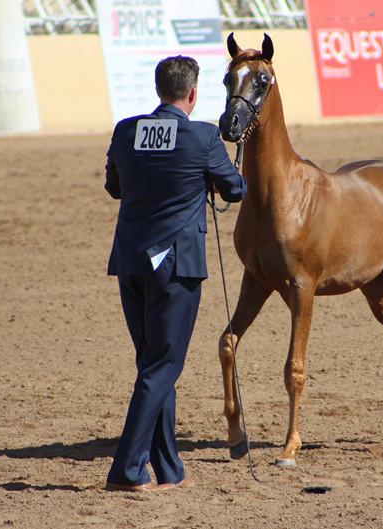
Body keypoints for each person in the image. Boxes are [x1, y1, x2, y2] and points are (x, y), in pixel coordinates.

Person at [103, 56, 246, 492]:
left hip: (130, 262)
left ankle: (169, 468)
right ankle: (127, 470)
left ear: (158, 89)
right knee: (162, 366)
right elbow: (235, 190)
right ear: (193, 94)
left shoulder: (127, 130)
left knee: (152, 364)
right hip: (174, 265)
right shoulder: (202, 136)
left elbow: (115, 187)